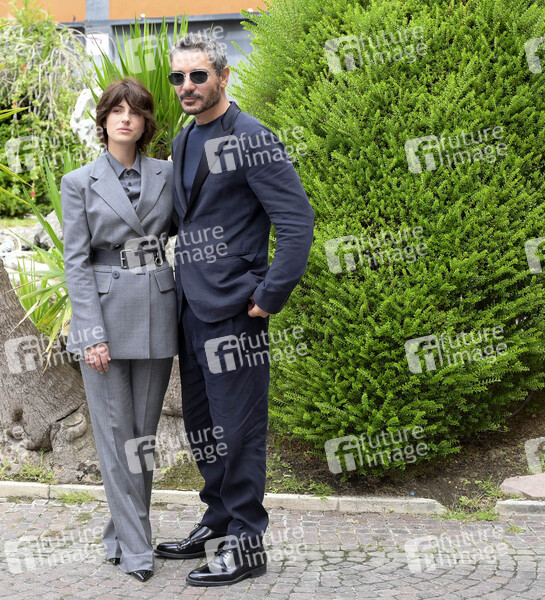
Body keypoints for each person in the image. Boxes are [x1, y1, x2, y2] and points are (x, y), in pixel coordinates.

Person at [154, 33, 315, 587]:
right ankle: (218, 519)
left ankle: (247, 543)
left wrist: (269, 296)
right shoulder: (183, 139)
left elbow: (297, 222)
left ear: (223, 77)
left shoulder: (253, 138)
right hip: (191, 307)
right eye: (178, 77)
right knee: (202, 424)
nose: (187, 86)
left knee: (238, 429)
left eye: (198, 75)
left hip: (236, 311)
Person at [61, 77, 178, 583]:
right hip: (103, 315)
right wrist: (90, 333)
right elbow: (75, 261)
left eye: (135, 111)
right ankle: (136, 549)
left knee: (141, 439)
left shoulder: (167, 173)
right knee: (114, 438)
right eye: (116, 111)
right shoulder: (78, 182)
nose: (125, 118)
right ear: (104, 120)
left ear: (146, 122)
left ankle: (119, 534)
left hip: (156, 308)